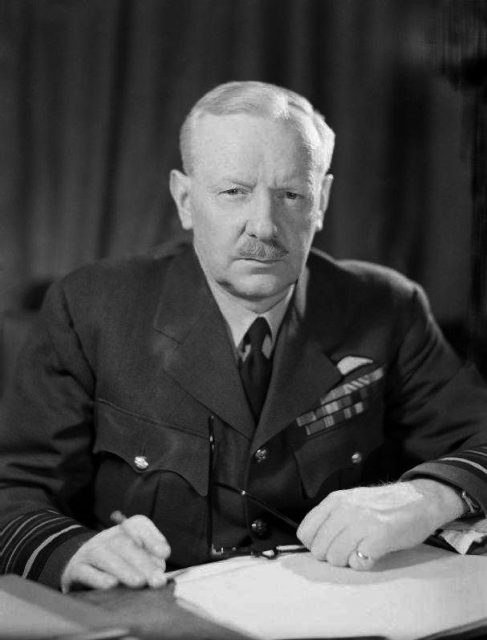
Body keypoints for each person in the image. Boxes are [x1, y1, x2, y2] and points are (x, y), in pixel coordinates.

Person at [1, 81, 486, 593]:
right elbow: (13, 487)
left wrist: (429, 497)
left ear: (320, 201)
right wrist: (70, 550)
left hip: (342, 607)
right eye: (234, 192)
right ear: (186, 201)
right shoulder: (91, 307)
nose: (264, 226)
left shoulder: (387, 306)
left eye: (291, 194)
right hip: (161, 616)